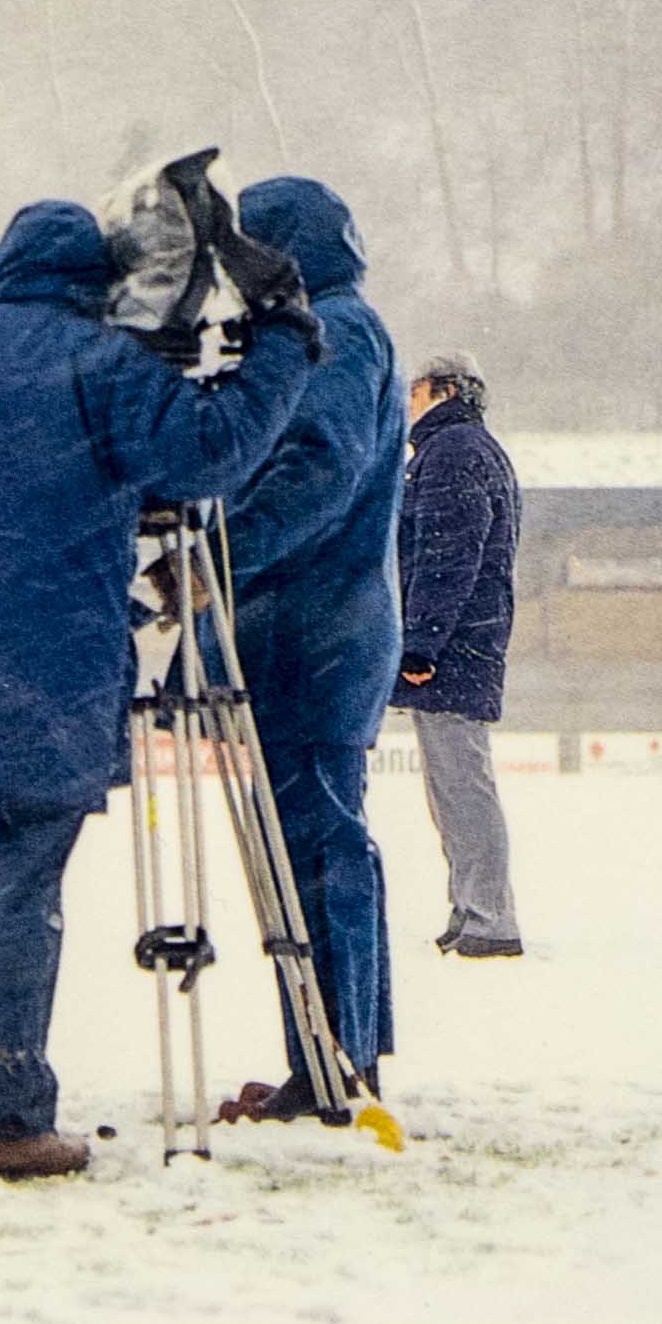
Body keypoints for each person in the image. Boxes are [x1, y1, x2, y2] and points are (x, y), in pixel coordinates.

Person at [0, 199, 319, 1178]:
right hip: (39, 681)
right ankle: (2, 1119)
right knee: (14, 895)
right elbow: (211, 451)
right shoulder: (100, 367)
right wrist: (281, 338)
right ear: (99, 283)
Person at [210, 177, 408, 1123]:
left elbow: (317, 466)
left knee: (321, 849)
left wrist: (216, 554)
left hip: (312, 627)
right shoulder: (342, 323)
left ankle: (339, 1063)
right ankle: (335, 1055)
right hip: (316, 624)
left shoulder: (336, 330)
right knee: (316, 846)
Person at [389, 352, 526, 959]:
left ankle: (488, 916)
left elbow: (448, 559)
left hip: (454, 645)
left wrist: (421, 643)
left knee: (461, 783)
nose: (408, 401)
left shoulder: (452, 455)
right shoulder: (473, 450)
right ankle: (471, 906)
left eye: (416, 390)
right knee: (454, 783)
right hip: (469, 637)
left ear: (443, 389)